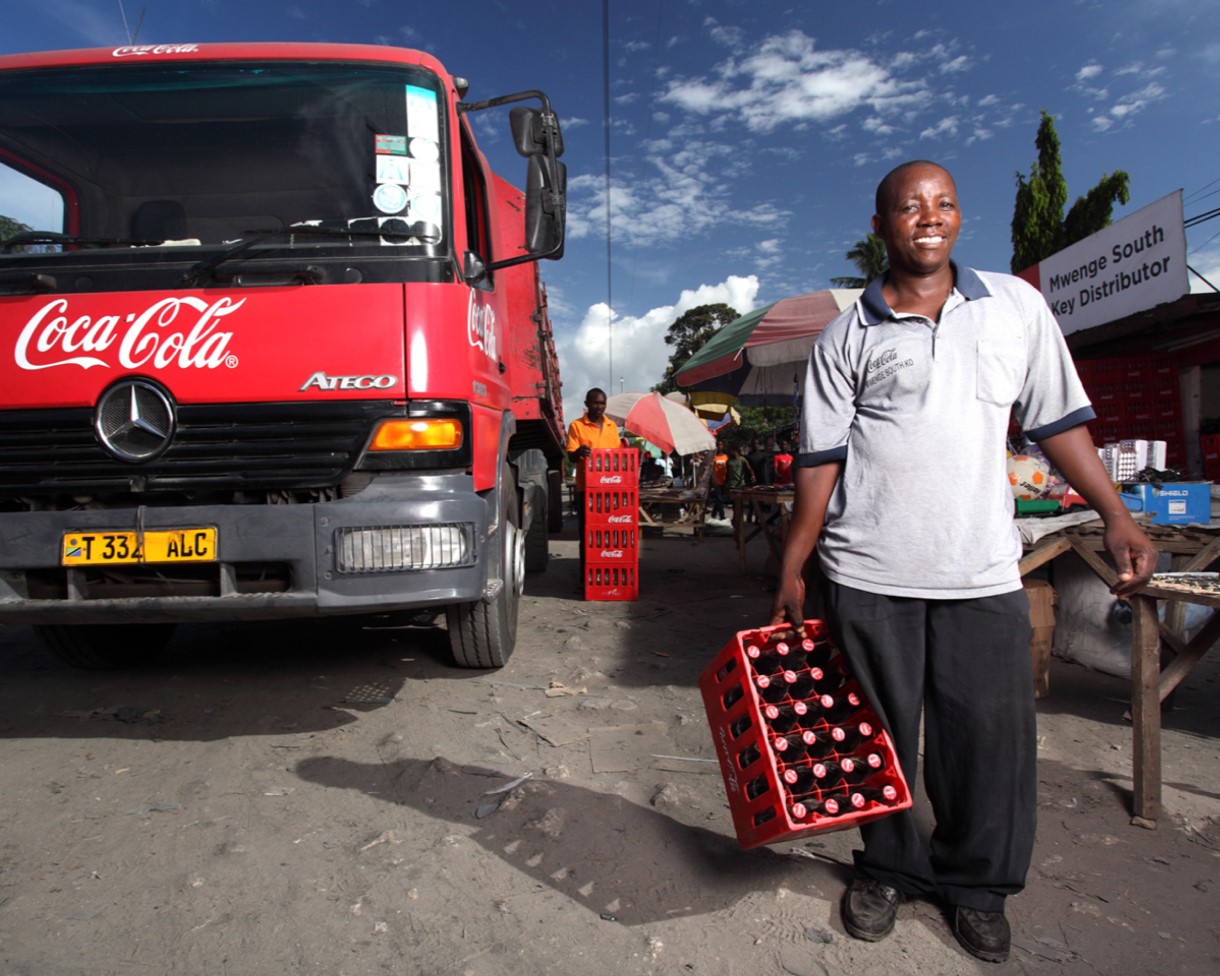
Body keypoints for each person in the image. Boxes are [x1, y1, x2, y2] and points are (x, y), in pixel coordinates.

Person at [769, 160, 1157, 964]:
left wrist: (1115, 513)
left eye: (943, 203)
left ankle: (977, 887)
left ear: (958, 217)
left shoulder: (1015, 306)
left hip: (980, 570)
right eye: (909, 207)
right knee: (871, 738)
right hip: (869, 571)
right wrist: (794, 565)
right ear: (881, 227)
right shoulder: (849, 334)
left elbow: (1059, 422)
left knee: (988, 740)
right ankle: (886, 868)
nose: (928, 217)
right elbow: (819, 461)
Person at [565, 388, 622, 577]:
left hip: (609, 489)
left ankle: (605, 572)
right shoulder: (576, 426)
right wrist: (580, 452)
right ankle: (586, 576)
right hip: (586, 489)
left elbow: (616, 457)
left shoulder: (611, 426)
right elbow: (571, 456)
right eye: (595, 403)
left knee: (607, 533)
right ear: (586, 403)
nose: (599, 407)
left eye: (602, 403)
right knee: (587, 534)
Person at [710, 446, 729, 520]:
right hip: (716, 480)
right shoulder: (714, 458)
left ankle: (714, 513)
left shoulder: (726, 457)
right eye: (719, 445)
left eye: (721, 445)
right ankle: (722, 515)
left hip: (724, 480)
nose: (720, 446)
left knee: (720, 498)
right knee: (719, 497)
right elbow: (712, 470)